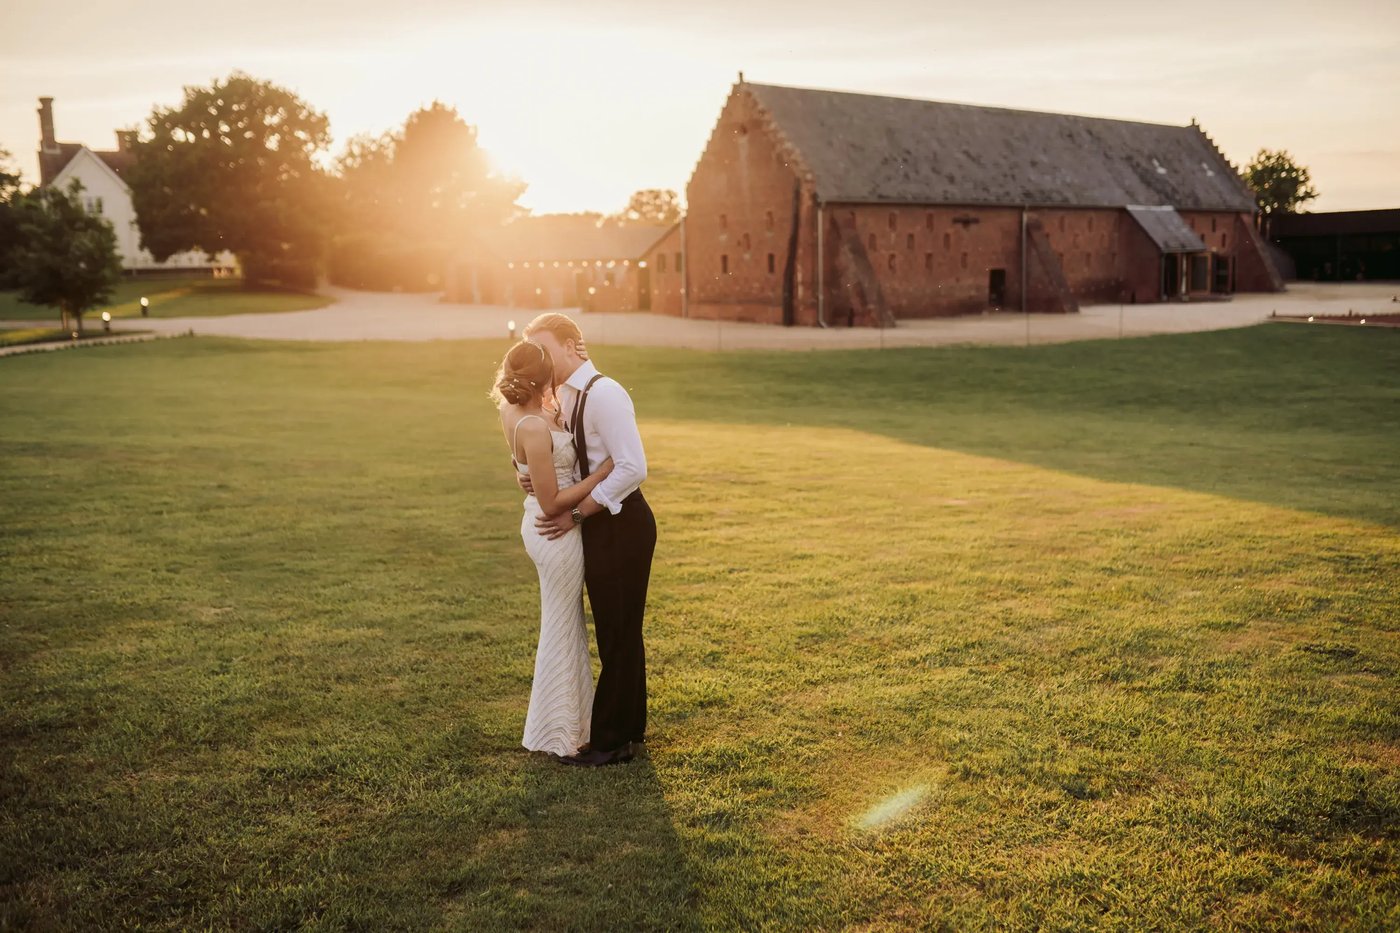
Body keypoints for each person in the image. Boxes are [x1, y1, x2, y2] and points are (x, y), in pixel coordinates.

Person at [520, 312, 656, 768]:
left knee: (618, 631)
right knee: (619, 629)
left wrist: (575, 512)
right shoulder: (564, 397)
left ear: (572, 344)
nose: (539, 360)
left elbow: (632, 467)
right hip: (601, 523)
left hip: (622, 523)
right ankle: (630, 728)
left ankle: (611, 743)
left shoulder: (605, 393)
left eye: (544, 349)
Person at [491, 339, 615, 759]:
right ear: (544, 379)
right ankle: (558, 733)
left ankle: (569, 724)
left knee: (566, 623)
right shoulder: (532, 424)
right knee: (563, 625)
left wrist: (523, 473)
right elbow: (552, 502)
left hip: (544, 526)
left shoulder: (513, 411)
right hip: (553, 530)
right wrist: (603, 474)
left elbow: (520, 464)